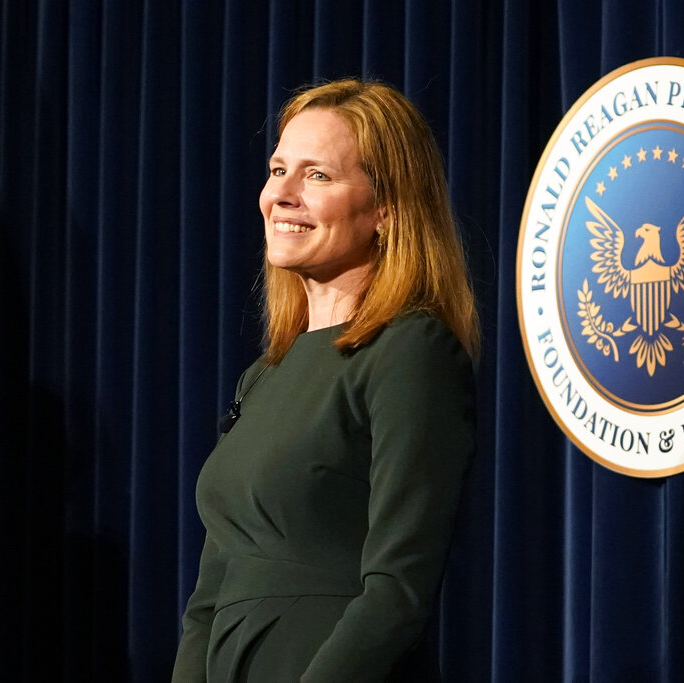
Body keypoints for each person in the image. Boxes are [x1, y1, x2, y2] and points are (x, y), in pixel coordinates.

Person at [172, 78, 479, 682]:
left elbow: (397, 592)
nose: (280, 194)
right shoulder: (261, 379)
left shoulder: (411, 351)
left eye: (317, 176)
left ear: (386, 208)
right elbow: (207, 604)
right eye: (278, 169)